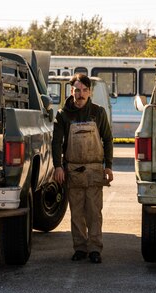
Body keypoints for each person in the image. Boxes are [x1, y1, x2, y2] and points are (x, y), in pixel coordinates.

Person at [53, 73, 113, 264]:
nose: (80, 94)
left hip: (95, 170)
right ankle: (80, 248)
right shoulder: (63, 115)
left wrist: (109, 166)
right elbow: (56, 143)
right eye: (77, 90)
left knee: (94, 212)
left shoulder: (98, 112)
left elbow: (108, 139)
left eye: (84, 90)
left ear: (90, 92)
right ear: (71, 91)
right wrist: (57, 167)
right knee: (77, 212)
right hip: (73, 170)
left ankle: (95, 249)